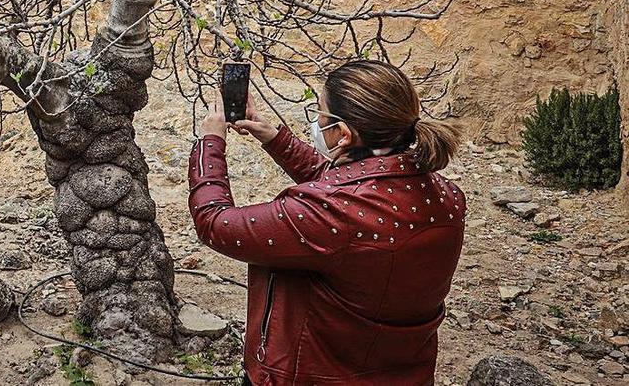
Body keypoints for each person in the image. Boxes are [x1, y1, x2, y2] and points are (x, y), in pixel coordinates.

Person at [188, 60, 465, 385]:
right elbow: (356, 186)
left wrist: (210, 142)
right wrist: (275, 137)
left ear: (344, 134)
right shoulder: (446, 196)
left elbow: (214, 223)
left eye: (320, 112)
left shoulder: (330, 213)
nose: (317, 120)